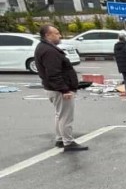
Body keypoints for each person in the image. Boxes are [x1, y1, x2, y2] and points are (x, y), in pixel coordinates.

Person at [34, 24, 87, 152]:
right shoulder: (49, 51)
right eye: (56, 33)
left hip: (54, 88)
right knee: (66, 117)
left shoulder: (45, 47)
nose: (60, 36)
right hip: (58, 90)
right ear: (47, 35)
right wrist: (64, 90)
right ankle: (68, 142)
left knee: (60, 115)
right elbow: (53, 73)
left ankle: (60, 139)